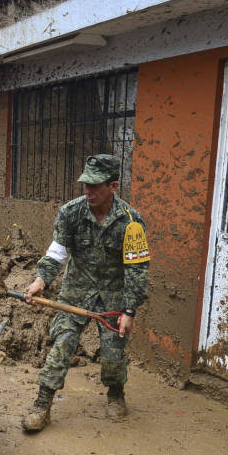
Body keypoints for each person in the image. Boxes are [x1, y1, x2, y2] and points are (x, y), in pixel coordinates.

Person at [21, 154, 150, 432]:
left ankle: (116, 394)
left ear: (113, 185)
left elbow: (137, 270)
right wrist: (41, 280)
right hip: (76, 291)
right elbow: (58, 252)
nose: (88, 191)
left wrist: (129, 311)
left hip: (114, 298)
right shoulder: (71, 212)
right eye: (85, 185)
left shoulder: (132, 222)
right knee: (62, 344)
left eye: (95, 186)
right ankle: (42, 405)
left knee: (114, 354)